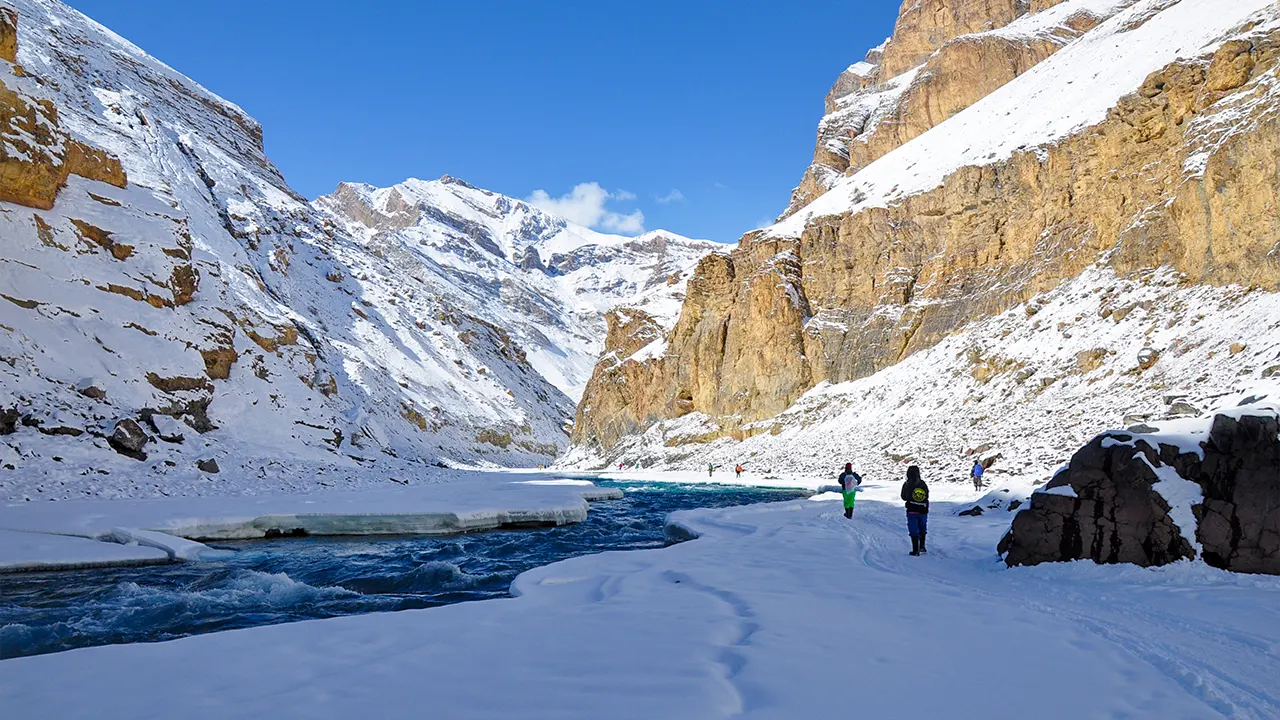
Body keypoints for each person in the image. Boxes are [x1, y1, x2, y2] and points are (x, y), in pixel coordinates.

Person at [901, 465, 929, 555]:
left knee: (913, 529)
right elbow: (927, 495)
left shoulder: (907, 484)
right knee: (922, 528)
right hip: (923, 510)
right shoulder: (923, 483)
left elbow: (903, 497)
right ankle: (922, 546)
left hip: (912, 510)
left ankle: (915, 550)